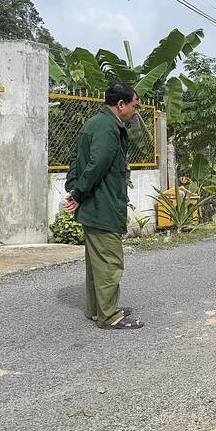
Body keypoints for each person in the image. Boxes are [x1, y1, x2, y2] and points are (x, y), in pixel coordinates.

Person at [63, 83, 144, 330]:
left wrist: (77, 191)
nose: (135, 111)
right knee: (110, 261)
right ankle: (110, 316)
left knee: (96, 261)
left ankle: (98, 310)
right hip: (102, 205)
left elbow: (80, 161)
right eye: (134, 105)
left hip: (95, 204)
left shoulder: (96, 124)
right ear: (121, 105)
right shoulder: (108, 127)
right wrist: (78, 193)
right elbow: (96, 164)